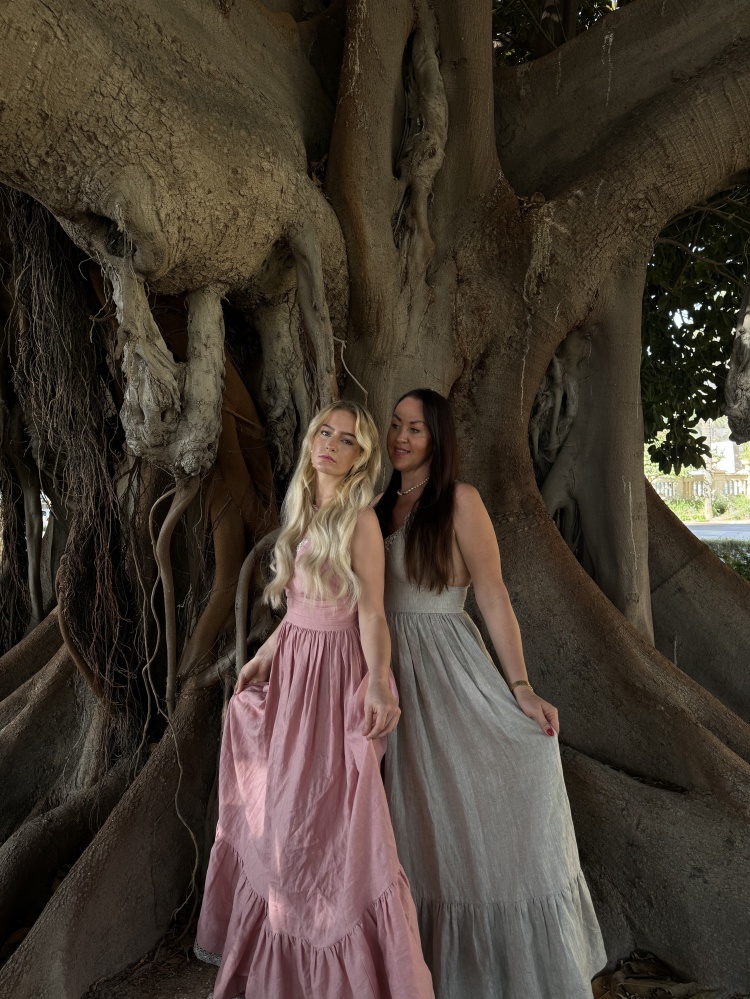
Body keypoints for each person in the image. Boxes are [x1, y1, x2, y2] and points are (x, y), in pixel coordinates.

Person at [195, 401, 435, 999]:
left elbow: (372, 612)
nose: (330, 444)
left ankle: (338, 964)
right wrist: (264, 655)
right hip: (294, 678)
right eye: (324, 432)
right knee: (284, 815)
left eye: (346, 439)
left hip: (334, 682)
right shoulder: (305, 511)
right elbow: (300, 610)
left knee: (331, 823)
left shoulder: (360, 520)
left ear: (361, 456)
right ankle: (282, 960)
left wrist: (377, 680)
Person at [374, 388, 607, 999]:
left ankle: (492, 974)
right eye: (395, 425)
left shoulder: (459, 500)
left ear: (438, 437)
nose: (401, 437)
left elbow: (493, 594)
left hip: (448, 671)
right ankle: (414, 967)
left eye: (415, 428)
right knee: (407, 820)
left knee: (465, 810)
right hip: (384, 676)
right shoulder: (373, 507)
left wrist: (521, 686)